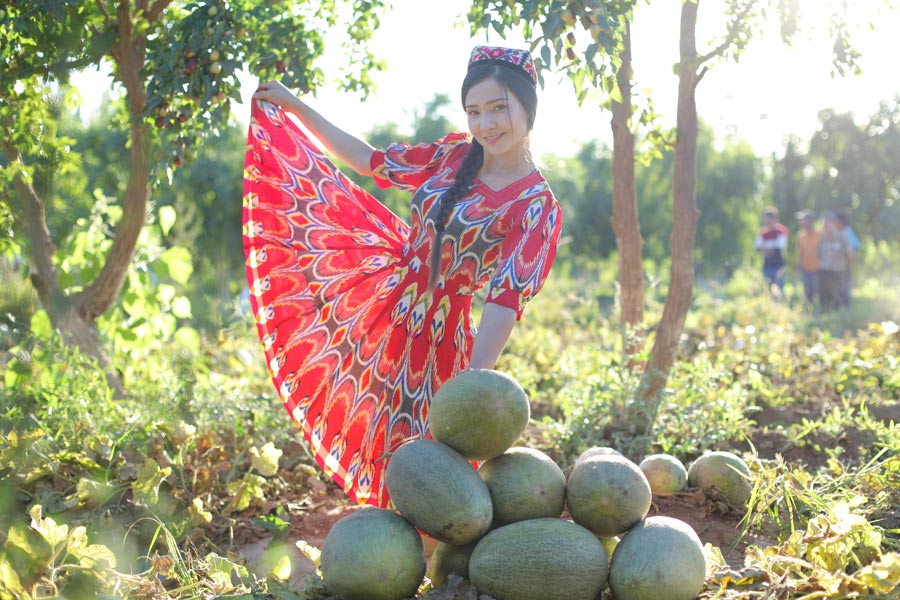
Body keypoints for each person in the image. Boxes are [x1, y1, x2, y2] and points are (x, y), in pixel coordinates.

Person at [244, 46, 562, 508]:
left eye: (499, 108)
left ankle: (428, 559)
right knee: (374, 430)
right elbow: (370, 161)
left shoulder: (536, 205)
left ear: (527, 108)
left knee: (428, 463)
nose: (485, 124)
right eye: (474, 111)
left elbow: (505, 301)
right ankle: (379, 550)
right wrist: (296, 106)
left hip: (440, 337)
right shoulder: (456, 154)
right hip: (384, 306)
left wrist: (472, 384)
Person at [817, 211, 852, 311]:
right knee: (825, 293)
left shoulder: (842, 237)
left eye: (828, 222)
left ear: (834, 222)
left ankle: (844, 313)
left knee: (841, 293)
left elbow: (849, 255)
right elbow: (819, 254)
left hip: (839, 270)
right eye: (824, 222)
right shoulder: (822, 238)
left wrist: (846, 269)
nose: (826, 224)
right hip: (824, 270)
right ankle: (825, 311)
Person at [754, 206, 789, 295]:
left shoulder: (782, 231)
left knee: (780, 289)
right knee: (767, 290)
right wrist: (769, 250)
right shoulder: (763, 232)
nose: (766, 222)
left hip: (778, 265)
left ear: (774, 219)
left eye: (768, 219)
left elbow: (778, 249)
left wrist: (765, 249)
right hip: (767, 264)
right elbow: (757, 248)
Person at [795, 210, 820, 307]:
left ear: (810, 221)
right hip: (805, 269)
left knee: (817, 290)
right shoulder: (801, 236)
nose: (801, 223)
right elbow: (800, 253)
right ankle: (810, 309)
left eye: (803, 220)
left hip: (817, 268)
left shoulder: (819, 235)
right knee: (808, 291)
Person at [835, 211, 859, 307]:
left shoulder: (847, 232)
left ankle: (846, 307)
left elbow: (855, 246)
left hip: (845, 265)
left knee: (845, 287)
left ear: (840, 221)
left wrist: (847, 261)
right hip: (837, 266)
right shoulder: (836, 232)